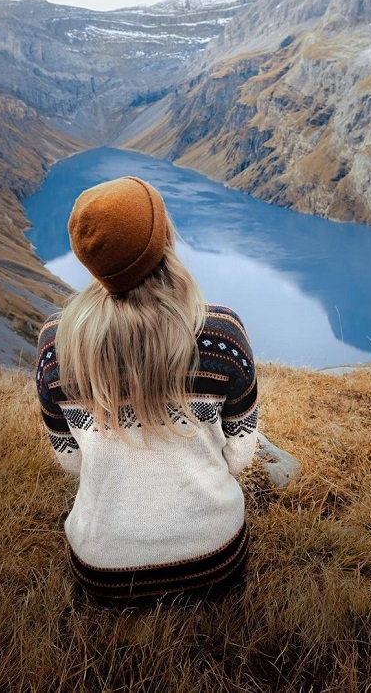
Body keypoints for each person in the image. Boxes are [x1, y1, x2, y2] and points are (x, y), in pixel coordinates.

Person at [35, 175, 258, 604]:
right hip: (215, 562)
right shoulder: (220, 334)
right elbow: (240, 457)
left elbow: (70, 462)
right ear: (162, 241)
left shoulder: (56, 345)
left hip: (103, 575)